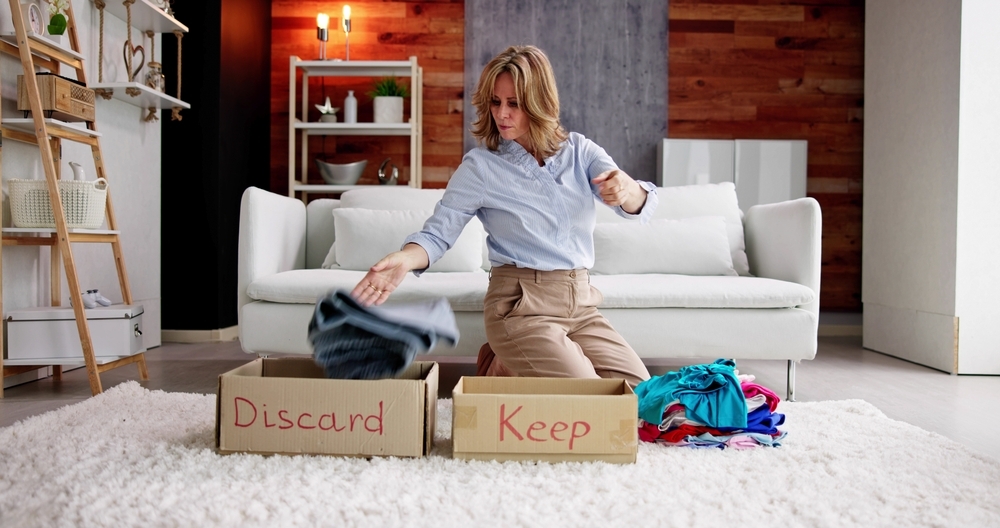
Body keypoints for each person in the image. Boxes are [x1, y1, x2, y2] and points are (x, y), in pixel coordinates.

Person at [351, 45, 657, 387]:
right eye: (495, 102)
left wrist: (628, 190)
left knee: (642, 397)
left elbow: (632, 199)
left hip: (581, 305)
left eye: (514, 103)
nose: (502, 114)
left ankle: (507, 365)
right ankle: (511, 358)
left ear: (539, 102)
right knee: (593, 396)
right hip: (520, 306)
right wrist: (406, 259)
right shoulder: (481, 167)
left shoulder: (581, 152)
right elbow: (439, 233)